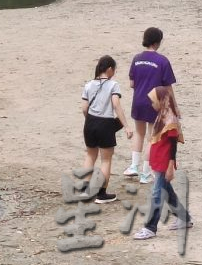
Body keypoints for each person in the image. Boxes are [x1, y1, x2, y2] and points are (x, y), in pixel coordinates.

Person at [132, 86, 192, 239]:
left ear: (161, 100)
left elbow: (172, 145)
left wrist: (171, 166)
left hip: (165, 162)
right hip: (159, 160)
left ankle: (150, 227)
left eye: (153, 101)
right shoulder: (162, 115)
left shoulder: (169, 119)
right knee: (167, 192)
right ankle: (184, 218)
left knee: (157, 194)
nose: (152, 104)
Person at [124, 27, 177, 185]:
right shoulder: (162, 61)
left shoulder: (136, 58)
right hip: (154, 103)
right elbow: (168, 87)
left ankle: (134, 165)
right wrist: (173, 106)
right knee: (151, 137)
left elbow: (132, 83)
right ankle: (146, 173)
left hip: (138, 101)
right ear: (158, 42)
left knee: (139, 134)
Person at [81, 55, 133, 204]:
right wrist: (127, 126)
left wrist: (90, 120)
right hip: (105, 123)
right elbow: (116, 105)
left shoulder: (89, 85)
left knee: (90, 156)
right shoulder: (113, 85)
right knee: (105, 160)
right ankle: (101, 194)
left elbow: (84, 108)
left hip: (90, 122)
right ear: (110, 69)